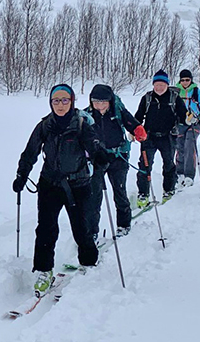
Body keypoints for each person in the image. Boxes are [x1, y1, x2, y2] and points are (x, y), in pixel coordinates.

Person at [13, 84, 111, 296]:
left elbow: (93, 144)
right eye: (56, 100)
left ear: (72, 101)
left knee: (81, 227)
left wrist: (100, 155)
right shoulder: (45, 125)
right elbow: (30, 152)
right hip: (50, 183)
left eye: (64, 100)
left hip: (78, 183)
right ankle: (44, 270)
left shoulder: (81, 123)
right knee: (46, 228)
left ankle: (88, 263)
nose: (60, 104)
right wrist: (22, 175)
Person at [83, 84, 145, 240]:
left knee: (119, 191)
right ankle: (92, 231)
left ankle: (123, 224)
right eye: (96, 102)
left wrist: (138, 130)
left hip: (118, 156)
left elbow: (131, 122)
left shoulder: (118, 110)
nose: (100, 106)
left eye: (103, 102)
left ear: (110, 101)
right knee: (94, 196)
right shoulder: (87, 116)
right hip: (97, 159)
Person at [133, 70, 187, 208]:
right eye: (157, 84)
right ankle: (143, 193)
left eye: (162, 84)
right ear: (153, 85)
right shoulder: (147, 98)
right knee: (145, 165)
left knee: (169, 165)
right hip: (149, 137)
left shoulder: (174, 98)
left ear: (167, 85)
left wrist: (188, 119)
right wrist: (134, 129)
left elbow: (183, 116)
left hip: (167, 137)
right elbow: (138, 116)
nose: (159, 87)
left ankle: (168, 191)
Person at [173, 70, 200, 187]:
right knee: (180, 147)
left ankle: (189, 175)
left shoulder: (197, 92)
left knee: (189, 145)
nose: (185, 82)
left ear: (191, 80)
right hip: (180, 123)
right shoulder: (176, 92)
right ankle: (179, 172)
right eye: (183, 80)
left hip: (193, 123)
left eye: (187, 80)